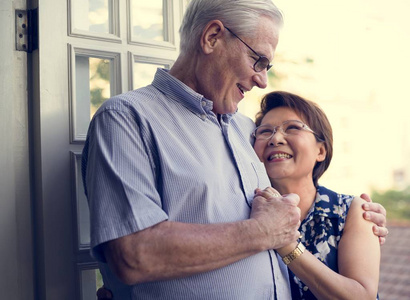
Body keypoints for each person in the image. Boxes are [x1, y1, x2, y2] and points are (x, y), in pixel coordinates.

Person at [81, 1, 387, 299]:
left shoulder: (246, 131)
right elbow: (134, 255)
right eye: (259, 61)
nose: (262, 79)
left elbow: (292, 185)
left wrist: (361, 219)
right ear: (212, 37)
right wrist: (263, 231)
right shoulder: (126, 118)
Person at [253, 91, 380, 299]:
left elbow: (362, 296)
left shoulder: (351, 211)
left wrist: (285, 243)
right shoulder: (243, 208)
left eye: (292, 127)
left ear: (321, 151)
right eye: (265, 132)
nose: (275, 138)